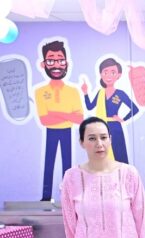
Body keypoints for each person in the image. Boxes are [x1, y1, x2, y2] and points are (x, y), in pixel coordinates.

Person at [36, 40, 84, 201]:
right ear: (43, 64)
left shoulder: (73, 91)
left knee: (67, 165)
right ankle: (46, 196)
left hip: (67, 131)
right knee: (48, 164)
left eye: (60, 60)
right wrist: (66, 115)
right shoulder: (40, 91)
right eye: (51, 61)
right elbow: (44, 119)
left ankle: (67, 195)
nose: (57, 65)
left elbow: (79, 118)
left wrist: (55, 113)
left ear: (66, 63)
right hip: (50, 131)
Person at [82, 57, 140, 164]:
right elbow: (90, 106)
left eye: (113, 72)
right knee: (102, 155)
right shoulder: (100, 92)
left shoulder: (120, 94)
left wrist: (122, 119)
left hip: (115, 127)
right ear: (101, 74)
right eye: (105, 72)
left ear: (118, 75)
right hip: (100, 128)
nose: (109, 76)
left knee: (119, 154)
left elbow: (135, 109)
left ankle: (123, 174)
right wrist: (85, 93)